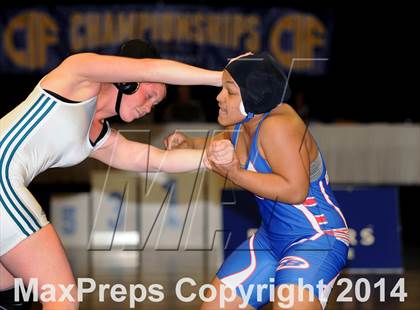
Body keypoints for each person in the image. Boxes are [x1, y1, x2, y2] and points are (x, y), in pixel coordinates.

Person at [0, 39, 223, 309]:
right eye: (150, 95)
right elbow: (152, 69)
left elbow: (156, 161)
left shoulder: (97, 134)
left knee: (12, 290)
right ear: (127, 81)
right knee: (63, 299)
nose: (150, 106)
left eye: (156, 102)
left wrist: (213, 159)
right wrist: (221, 78)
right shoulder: (79, 73)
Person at [165, 52, 349, 309]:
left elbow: (295, 190)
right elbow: (221, 143)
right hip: (271, 240)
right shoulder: (244, 123)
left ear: (253, 96)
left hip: (316, 238)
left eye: (229, 91)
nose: (219, 97)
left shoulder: (279, 126)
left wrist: (233, 173)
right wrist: (190, 143)